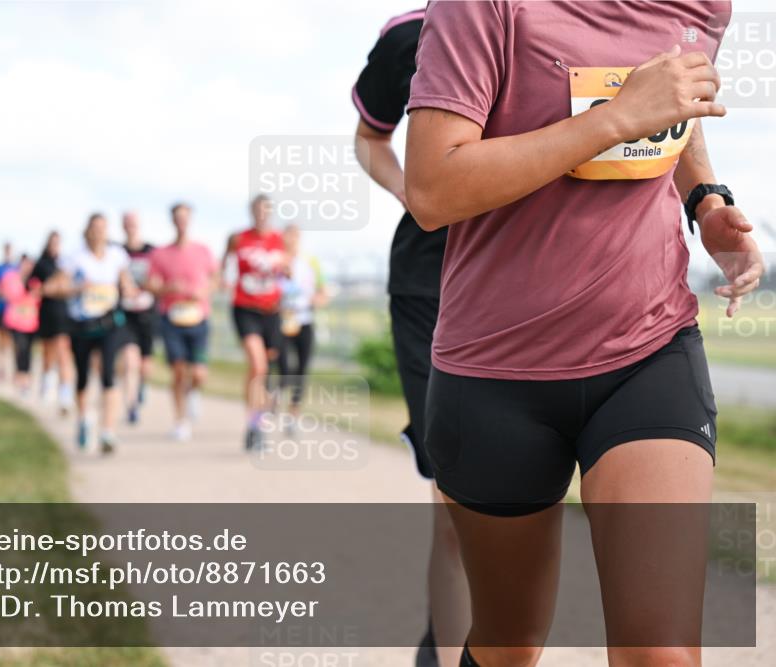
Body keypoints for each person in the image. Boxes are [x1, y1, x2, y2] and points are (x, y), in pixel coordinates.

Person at [404, 3, 765, 666]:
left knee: (661, 652)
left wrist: (706, 200)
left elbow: (670, 105)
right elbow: (432, 187)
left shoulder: (703, 6)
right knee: (508, 644)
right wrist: (614, 119)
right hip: (495, 371)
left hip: (647, 349)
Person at [353, 9, 468, 666]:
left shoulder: (569, 26)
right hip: (432, 287)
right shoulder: (412, 36)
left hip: (533, 284)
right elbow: (370, 140)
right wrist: (418, 194)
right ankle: (446, 649)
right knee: (455, 498)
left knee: (516, 503)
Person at [60, 213, 137, 454]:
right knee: (82, 377)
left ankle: (107, 432)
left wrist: (129, 289)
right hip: (82, 325)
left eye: (103, 228)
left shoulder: (117, 255)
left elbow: (127, 282)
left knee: (108, 374)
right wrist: (77, 288)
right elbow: (57, 287)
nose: (99, 232)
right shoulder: (75, 257)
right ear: (87, 231)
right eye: (94, 228)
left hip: (110, 322)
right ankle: (84, 420)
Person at [147, 203, 219, 441]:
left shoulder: (203, 251)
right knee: (178, 371)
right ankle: (180, 421)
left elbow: (216, 279)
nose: (181, 222)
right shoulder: (160, 254)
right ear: (172, 221)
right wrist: (169, 288)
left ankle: (194, 393)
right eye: (177, 218)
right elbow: (152, 285)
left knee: (198, 374)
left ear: (190, 220)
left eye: (185, 217)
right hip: (172, 318)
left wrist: (203, 291)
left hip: (198, 318)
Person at [223, 194, 286, 450]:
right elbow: (224, 264)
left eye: (266, 210)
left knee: (266, 371)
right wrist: (222, 281)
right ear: (251, 212)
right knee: (257, 365)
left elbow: (287, 269)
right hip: (245, 308)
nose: (262, 214)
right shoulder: (239, 238)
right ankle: (255, 424)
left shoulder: (278, 240)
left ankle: (255, 422)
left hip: (271, 311)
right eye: (258, 210)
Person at [275, 224, 326, 430]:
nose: (291, 239)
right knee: (284, 368)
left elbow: (323, 291)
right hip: (280, 321)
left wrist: (317, 299)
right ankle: (275, 400)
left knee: (302, 370)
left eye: (295, 235)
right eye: (287, 234)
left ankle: (293, 415)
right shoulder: (276, 261)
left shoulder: (310, 261)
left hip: (304, 320)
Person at [119, 211, 158, 425]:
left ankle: (143, 385)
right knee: (129, 361)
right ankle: (131, 405)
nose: (130, 226)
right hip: (126, 315)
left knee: (145, 365)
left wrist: (145, 287)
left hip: (148, 313)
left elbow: (159, 277)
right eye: (127, 223)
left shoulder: (152, 251)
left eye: (133, 223)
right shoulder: (117, 251)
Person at [31, 231, 74, 415]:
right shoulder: (41, 264)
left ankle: (65, 394)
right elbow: (34, 287)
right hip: (47, 312)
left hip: (63, 313)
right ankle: (47, 382)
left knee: (63, 351)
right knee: (48, 352)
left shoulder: (66, 263)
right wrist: (47, 288)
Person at [0, 254, 41, 396]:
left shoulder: (35, 280)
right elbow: (10, 295)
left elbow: (38, 298)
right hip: (16, 321)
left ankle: (26, 378)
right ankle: (20, 377)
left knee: (29, 351)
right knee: (20, 348)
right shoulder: (11, 277)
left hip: (32, 322)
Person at [0, 242, 17, 381]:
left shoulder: (16, 268)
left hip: (14, 310)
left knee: (12, 341)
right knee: (0, 340)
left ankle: (12, 370)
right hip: (0, 309)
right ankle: (1, 368)